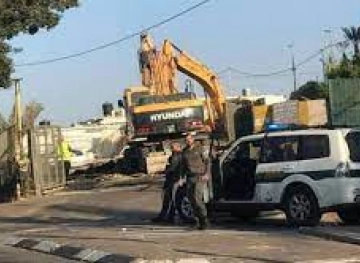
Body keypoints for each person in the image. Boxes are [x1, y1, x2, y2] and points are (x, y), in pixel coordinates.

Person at [182, 133, 210, 230]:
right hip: (190, 177)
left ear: (192, 139)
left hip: (200, 176)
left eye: (189, 139)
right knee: (191, 200)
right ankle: (197, 221)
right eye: (186, 140)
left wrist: (207, 173)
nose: (188, 141)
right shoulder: (185, 151)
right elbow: (183, 166)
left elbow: (207, 161)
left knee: (197, 198)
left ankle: (204, 220)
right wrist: (181, 177)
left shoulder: (200, 148)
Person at [152, 142, 183, 223]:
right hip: (173, 178)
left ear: (178, 147)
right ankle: (168, 217)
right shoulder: (179, 155)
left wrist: (163, 172)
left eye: (173, 147)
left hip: (172, 179)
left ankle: (167, 217)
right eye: (171, 147)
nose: (171, 148)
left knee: (169, 199)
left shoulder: (176, 156)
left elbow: (172, 167)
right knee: (170, 199)